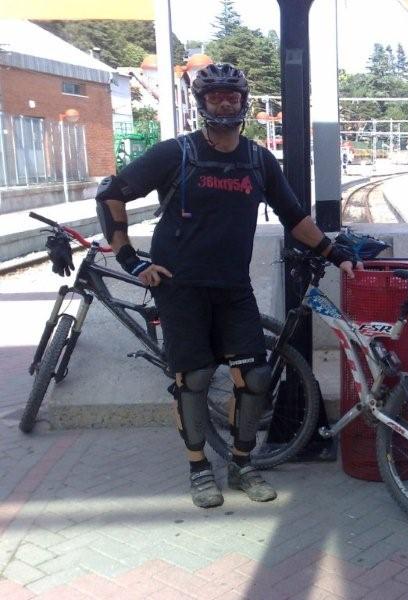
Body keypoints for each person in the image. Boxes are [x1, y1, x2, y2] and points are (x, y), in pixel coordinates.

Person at [95, 63, 355, 509]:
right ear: (202, 103)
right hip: (180, 287)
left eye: (231, 96)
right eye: (214, 96)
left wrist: (335, 254)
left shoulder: (257, 160)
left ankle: (241, 464)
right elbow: (110, 192)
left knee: (255, 378)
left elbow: (295, 217)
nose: (224, 104)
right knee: (193, 378)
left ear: (243, 102)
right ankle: (199, 468)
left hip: (233, 287)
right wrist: (130, 259)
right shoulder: (176, 153)